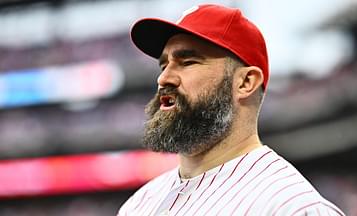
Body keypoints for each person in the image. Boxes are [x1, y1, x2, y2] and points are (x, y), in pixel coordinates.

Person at [118, 4, 345, 216]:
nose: (163, 78)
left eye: (187, 62)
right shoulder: (138, 205)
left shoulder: (292, 207)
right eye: (164, 64)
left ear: (245, 82)